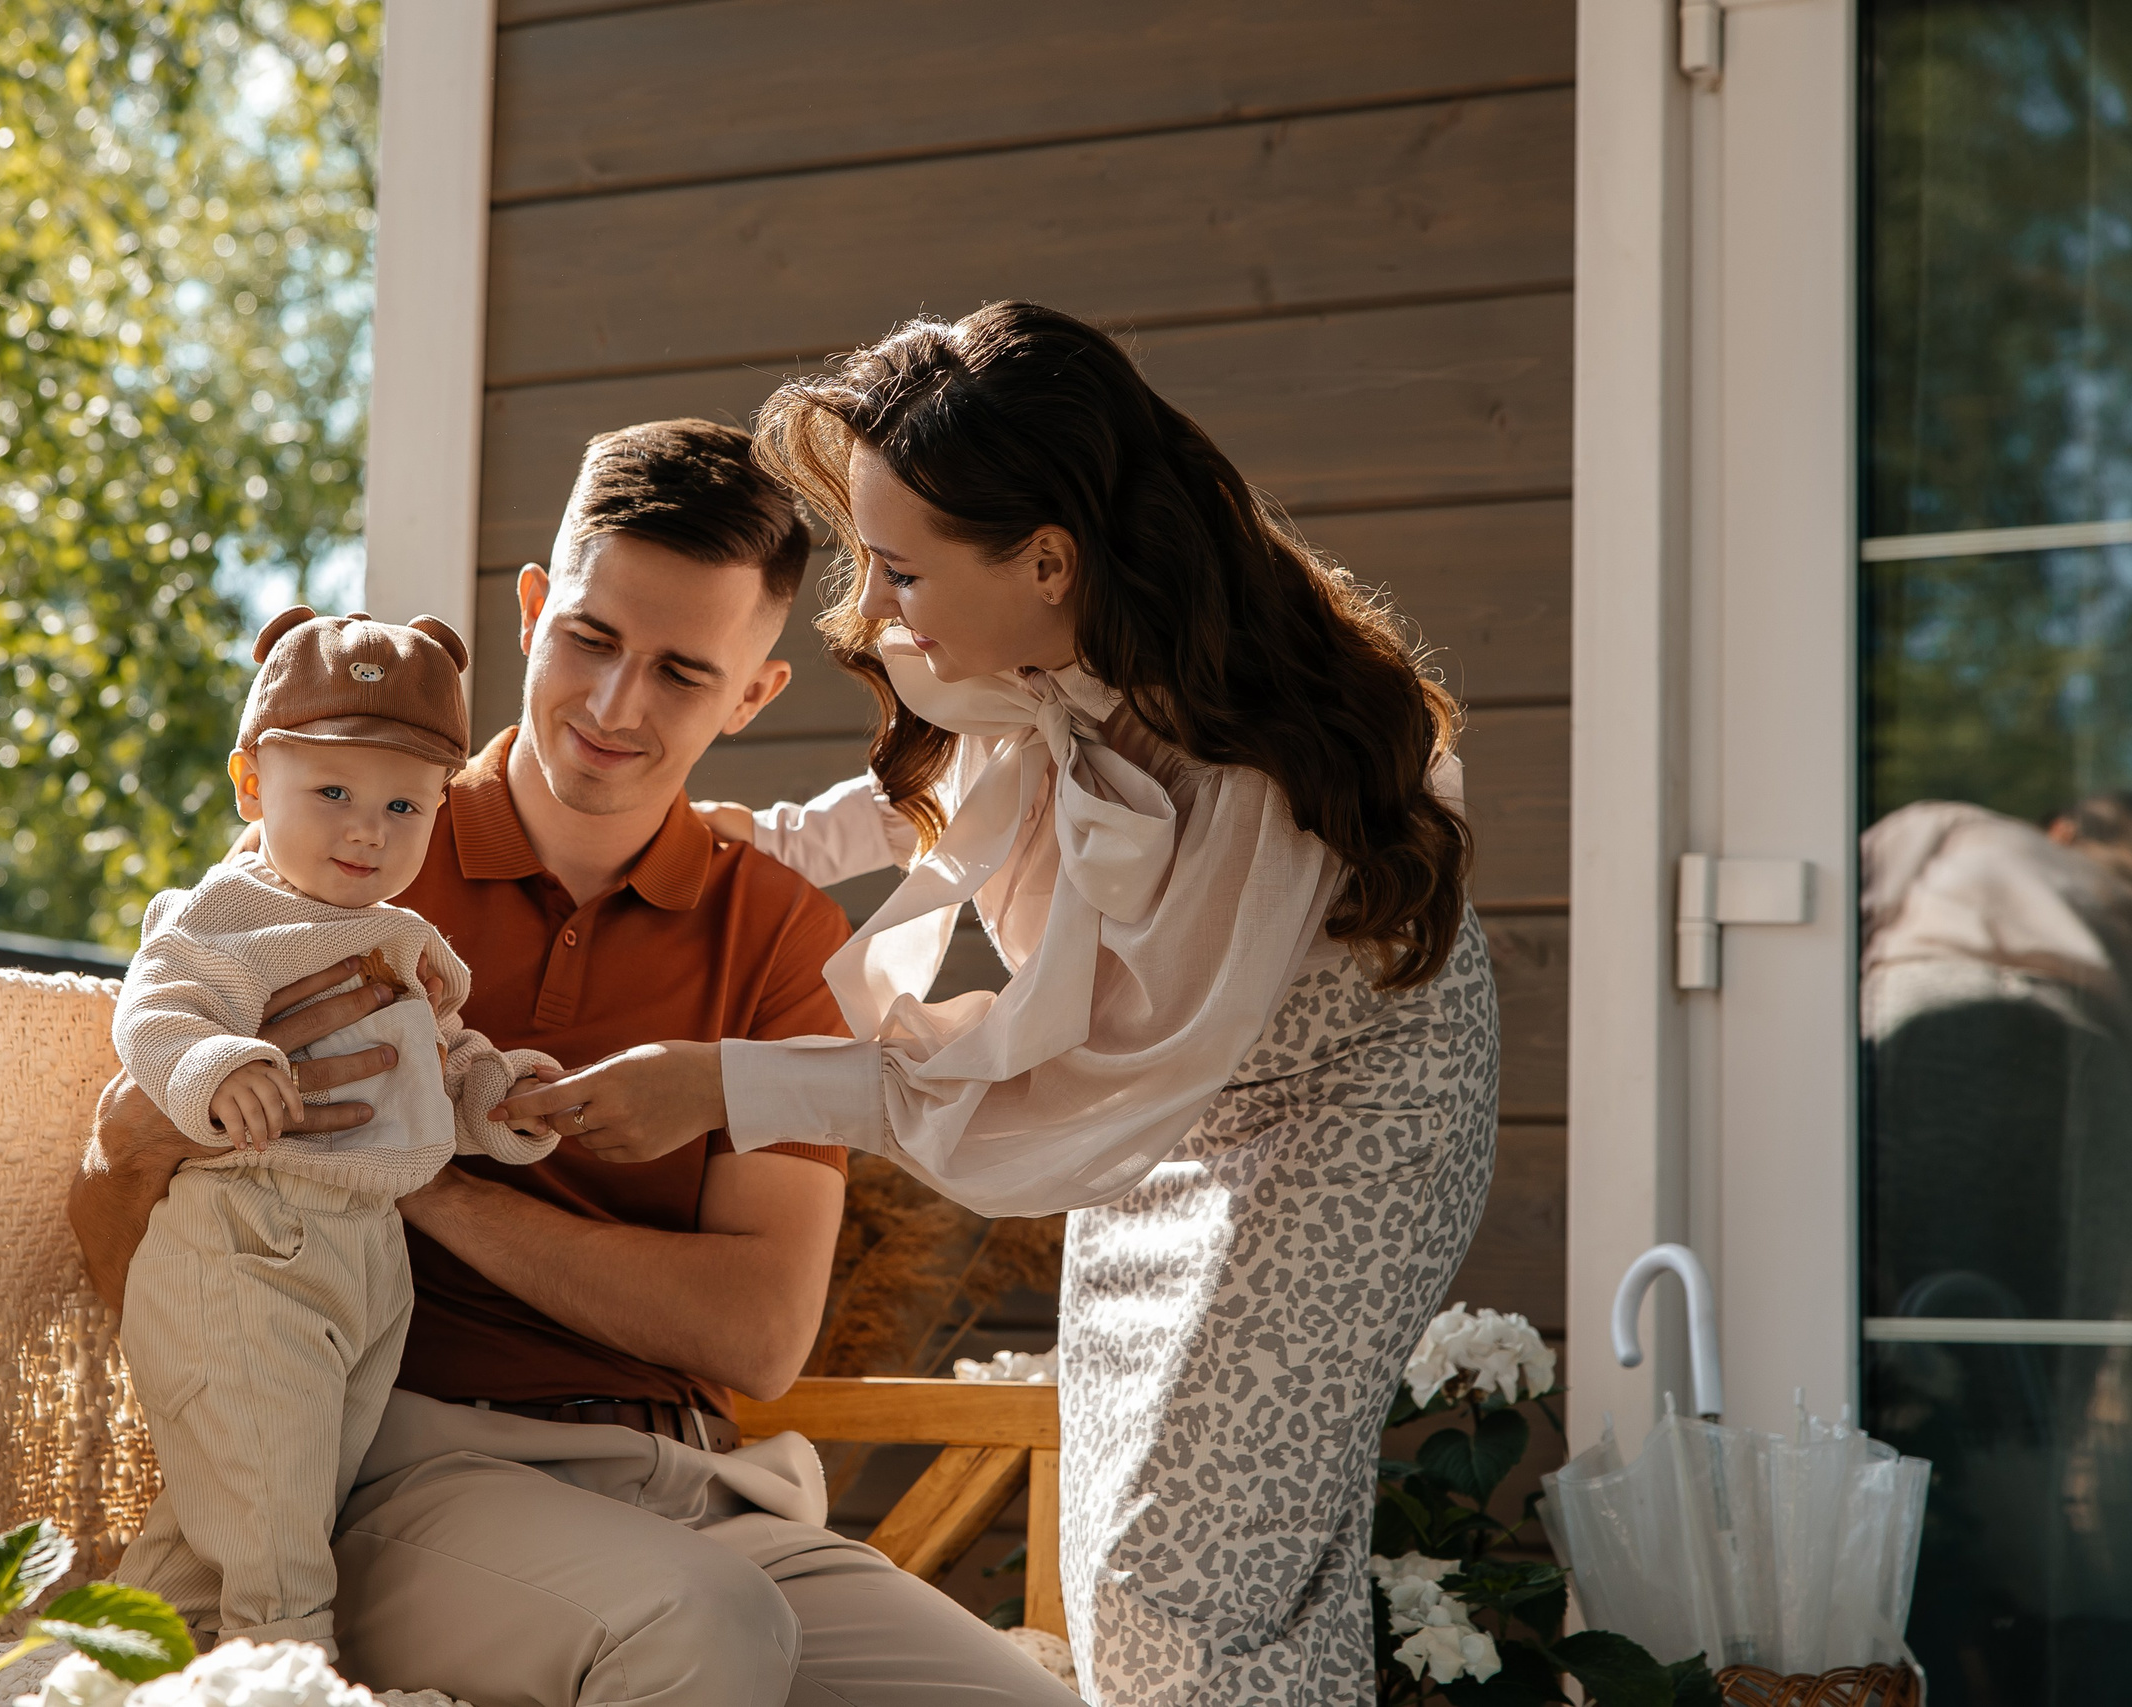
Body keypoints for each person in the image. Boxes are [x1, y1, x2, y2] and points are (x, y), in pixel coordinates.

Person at [500, 305, 1503, 1706]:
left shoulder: (1250, 786)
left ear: (1045, 559)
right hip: (1164, 1108)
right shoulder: (1040, 637)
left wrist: (734, 1081)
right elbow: (969, 772)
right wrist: (775, 840)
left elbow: (1086, 1071)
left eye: (901, 569)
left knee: (1185, 1572)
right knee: (1123, 1565)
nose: (880, 607)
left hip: (1330, 1121)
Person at [69, 419, 1084, 1706]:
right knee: (699, 1633)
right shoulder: (353, 845)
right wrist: (166, 1124)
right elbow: (118, 1222)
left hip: (715, 1494)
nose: (616, 708)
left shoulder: (780, 933)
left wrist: (415, 1162)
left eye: (679, 671)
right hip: (408, 1477)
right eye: (592, 640)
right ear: (535, 608)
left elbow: (755, 1332)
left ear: (752, 693)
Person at [108, 608, 559, 1655]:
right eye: (333, 794)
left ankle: (104, 1663)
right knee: (278, 1543)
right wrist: (216, 1064)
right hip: (246, 1243)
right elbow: (154, 1014)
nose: (368, 828)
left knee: (251, 1507)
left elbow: (436, 1059)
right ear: (251, 786)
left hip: (364, 1258)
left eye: (404, 803)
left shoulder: (404, 938)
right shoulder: (228, 911)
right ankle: (288, 1673)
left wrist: (494, 1097)